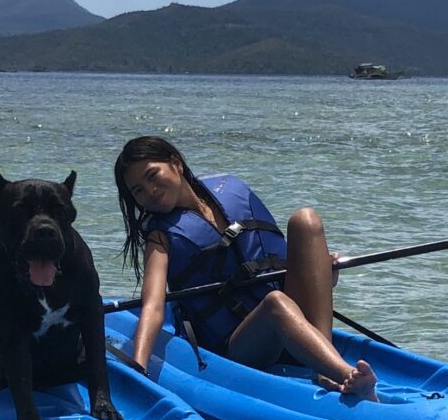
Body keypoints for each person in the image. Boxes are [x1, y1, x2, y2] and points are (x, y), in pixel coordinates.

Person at [113, 134, 375, 399]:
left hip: (293, 319)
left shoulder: (229, 190)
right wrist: (139, 367)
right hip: (239, 346)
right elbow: (154, 306)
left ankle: (323, 360)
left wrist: (321, 272)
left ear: (176, 163)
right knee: (276, 303)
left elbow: (281, 262)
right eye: (138, 191)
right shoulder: (160, 237)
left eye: (152, 175)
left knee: (305, 220)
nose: (149, 192)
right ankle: (344, 373)